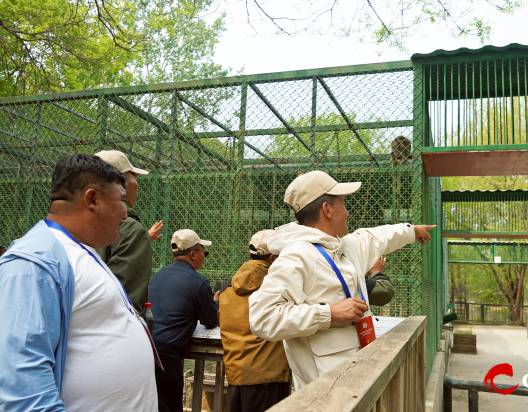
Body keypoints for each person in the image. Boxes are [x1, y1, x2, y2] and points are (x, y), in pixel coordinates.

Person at [249, 170, 435, 390]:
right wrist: (330, 314)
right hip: (324, 392)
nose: (347, 212)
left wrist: (411, 231)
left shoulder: (344, 246)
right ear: (327, 210)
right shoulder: (297, 255)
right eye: (343, 204)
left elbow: (374, 238)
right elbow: (262, 317)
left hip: (357, 377)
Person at [0, 154, 158, 411]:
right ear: (92, 200)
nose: (126, 211)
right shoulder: (32, 264)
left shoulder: (81, 250)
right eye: (121, 200)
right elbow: (22, 386)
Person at [218, 230, 291, 412]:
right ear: (273, 259)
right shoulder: (280, 286)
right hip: (269, 376)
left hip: (237, 376)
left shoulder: (227, 286)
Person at [148, 229, 219, 412]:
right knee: (170, 406)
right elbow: (210, 321)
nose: (205, 256)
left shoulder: (159, 275)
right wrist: (215, 305)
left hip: (145, 346)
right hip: (166, 353)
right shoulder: (199, 282)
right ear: (193, 254)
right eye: (205, 252)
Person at [95, 150, 163, 316]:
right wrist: (139, 236)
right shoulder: (131, 229)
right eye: (134, 177)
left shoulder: (80, 224)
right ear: (120, 182)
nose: (137, 184)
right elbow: (124, 303)